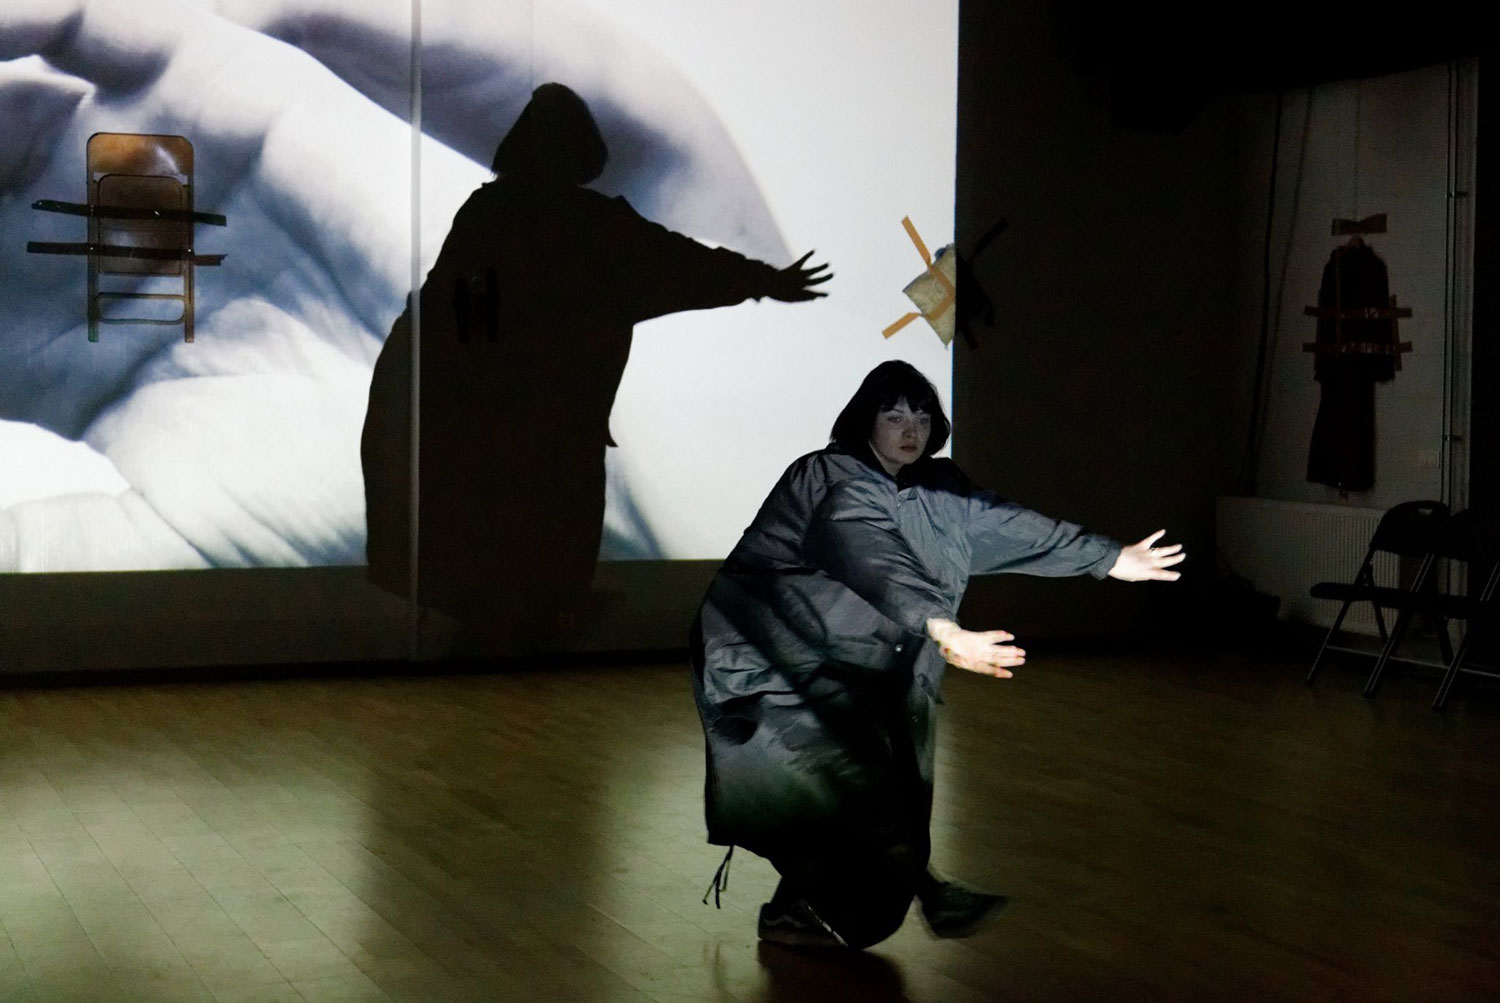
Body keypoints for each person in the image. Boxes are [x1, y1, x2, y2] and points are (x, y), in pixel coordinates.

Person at [691, 360, 1183, 949]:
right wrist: (944, 629)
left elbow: (1007, 525)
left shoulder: (939, 487)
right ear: (865, 420)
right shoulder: (829, 477)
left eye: (922, 417)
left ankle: (807, 908)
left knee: (880, 787)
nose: (911, 429)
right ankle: (911, 895)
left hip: (868, 660)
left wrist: (1106, 557)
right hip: (773, 655)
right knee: (833, 784)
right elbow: (870, 552)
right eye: (894, 415)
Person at [361, 83, 829, 647]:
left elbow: (452, 309)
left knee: (501, 552)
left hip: (502, 417)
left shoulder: (497, 213)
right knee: (540, 548)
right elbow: (680, 262)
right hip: (546, 421)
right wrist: (764, 280)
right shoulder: (589, 223)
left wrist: (762, 280)